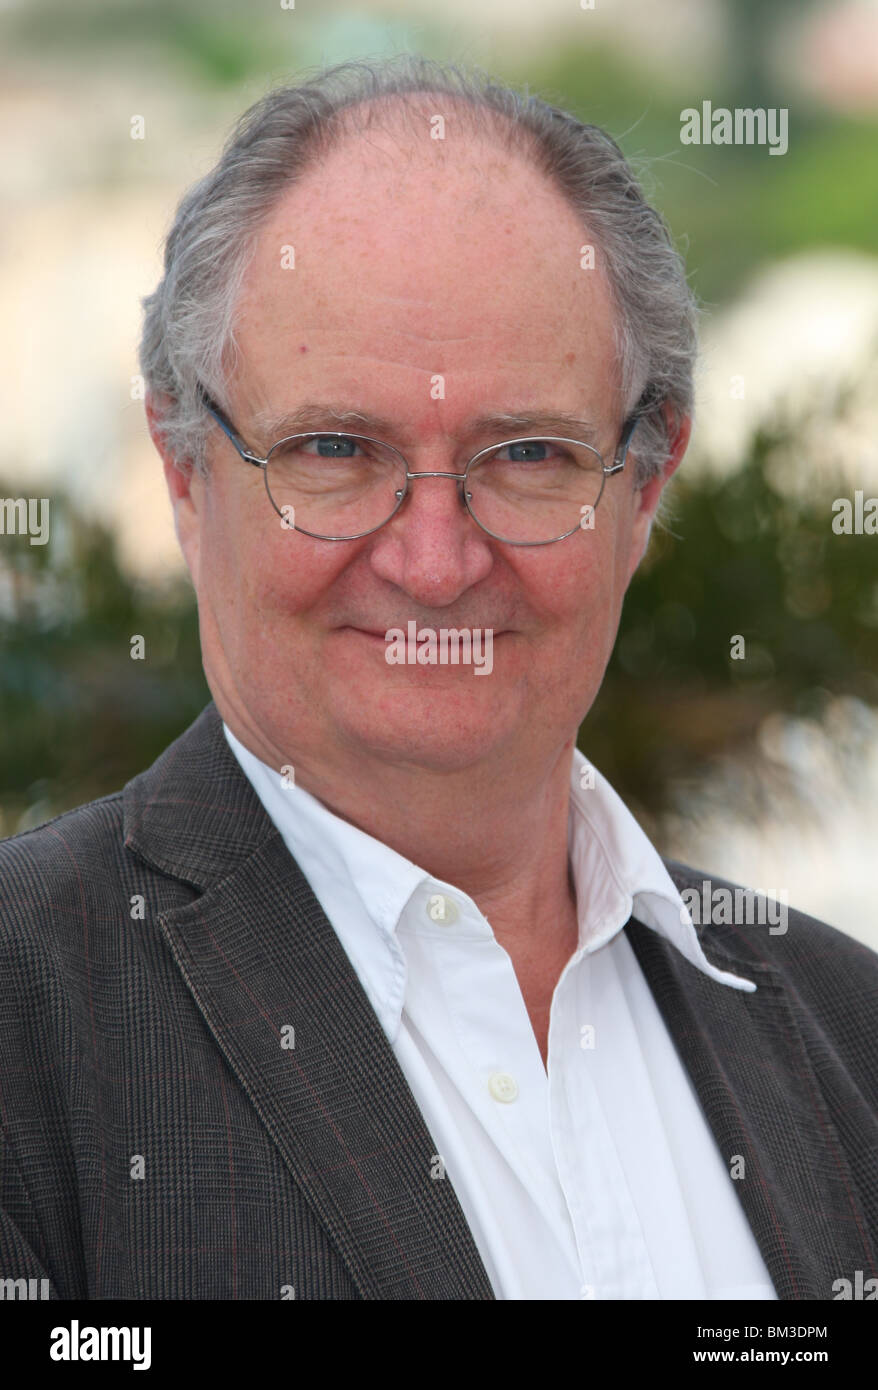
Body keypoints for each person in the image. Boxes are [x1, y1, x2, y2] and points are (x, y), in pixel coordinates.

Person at [1, 55, 876, 1302]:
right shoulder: (27, 1024)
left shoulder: (847, 1032)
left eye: (524, 453)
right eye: (335, 451)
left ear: (644, 487)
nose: (432, 560)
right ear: (186, 472)